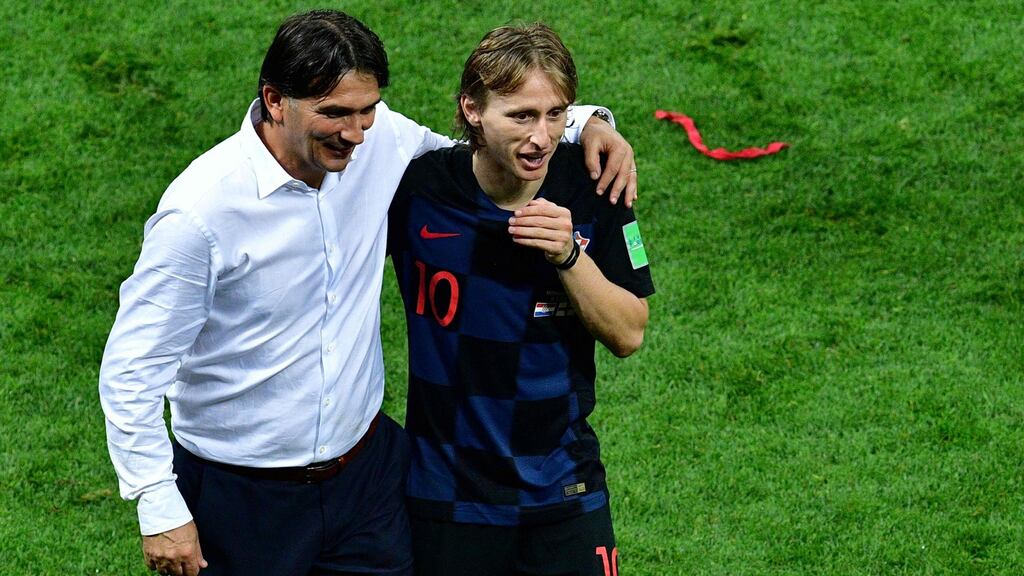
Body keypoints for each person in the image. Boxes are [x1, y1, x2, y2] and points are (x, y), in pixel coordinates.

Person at [98, 10, 636, 576]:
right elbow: (132, 368)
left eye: (366, 111)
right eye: (333, 113)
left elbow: (487, 139)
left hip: (366, 481)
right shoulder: (200, 214)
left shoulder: (383, 144)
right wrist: (158, 503)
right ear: (275, 100)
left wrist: (588, 122)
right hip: (243, 494)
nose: (354, 133)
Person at [388, 23, 654, 576]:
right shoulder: (418, 191)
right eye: (522, 117)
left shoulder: (594, 187)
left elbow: (629, 333)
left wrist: (568, 256)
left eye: (556, 114)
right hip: (447, 494)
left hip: (564, 489)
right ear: (472, 110)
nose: (541, 137)